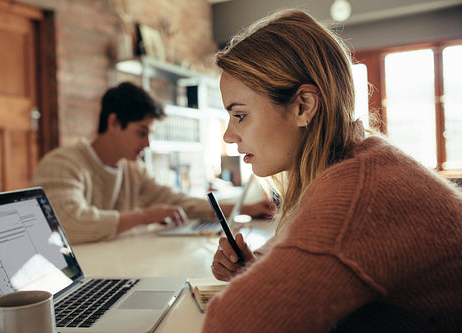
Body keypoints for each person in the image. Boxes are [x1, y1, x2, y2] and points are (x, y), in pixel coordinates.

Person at [204, 9, 462, 333]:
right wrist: (257, 272)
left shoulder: (358, 191)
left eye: (239, 115)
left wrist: (259, 289)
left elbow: (233, 323)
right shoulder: (360, 160)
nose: (229, 135)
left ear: (303, 106)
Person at [31, 81, 274, 244]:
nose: (147, 144)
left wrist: (245, 209)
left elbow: (180, 204)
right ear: (114, 123)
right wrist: (144, 216)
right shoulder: (63, 164)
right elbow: (69, 223)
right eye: (141, 132)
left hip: (112, 266)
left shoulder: (131, 169)